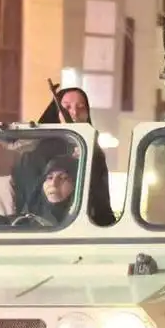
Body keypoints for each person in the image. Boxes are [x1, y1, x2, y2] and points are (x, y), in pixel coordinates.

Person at [33, 87, 115, 226]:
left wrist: (86, 161)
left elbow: (99, 198)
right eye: (67, 107)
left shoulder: (94, 151)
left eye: (81, 107)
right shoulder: (37, 150)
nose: (74, 113)